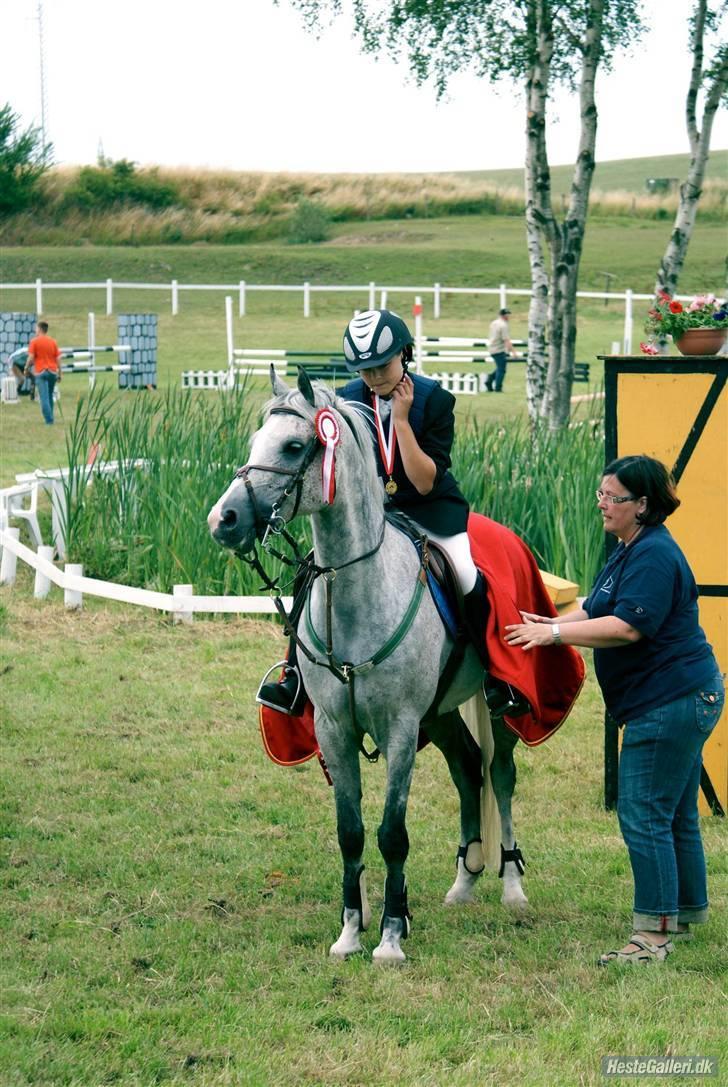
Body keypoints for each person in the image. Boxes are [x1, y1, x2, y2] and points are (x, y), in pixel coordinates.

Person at [504, 455, 724, 966]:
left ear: (642, 505)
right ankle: (685, 912)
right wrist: (551, 618)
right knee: (675, 814)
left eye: (613, 498)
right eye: (601, 494)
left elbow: (627, 627)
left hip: (671, 701)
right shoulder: (629, 548)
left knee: (643, 813)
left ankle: (653, 936)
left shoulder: (653, 557)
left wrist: (553, 634)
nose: (602, 504)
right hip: (682, 696)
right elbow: (599, 608)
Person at [257, 308, 529, 720]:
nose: (373, 377)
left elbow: (423, 482)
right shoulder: (348, 399)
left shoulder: (436, 399)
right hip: (373, 516)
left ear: (405, 353)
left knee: (467, 576)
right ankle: (294, 676)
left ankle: (496, 675)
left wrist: (401, 420)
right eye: (364, 370)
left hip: (429, 511)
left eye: (382, 366)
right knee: (308, 573)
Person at [26, 321, 62, 424]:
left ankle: (49, 420)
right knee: (50, 395)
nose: (35, 331)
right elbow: (58, 359)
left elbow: (31, 357)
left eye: (36, 329)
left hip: (41, 372)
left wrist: (26, 367)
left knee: (44, 397)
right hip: (52, 371)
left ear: (40, 329)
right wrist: (59, 374)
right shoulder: (53, 342)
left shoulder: (34, 342)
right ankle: (51, 417)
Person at [484, 307, 513, 393]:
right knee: (501, 369)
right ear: (504, 316)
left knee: (500, 367)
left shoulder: (494, 323)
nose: (509, 317)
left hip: (492, 347)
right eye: (508, 315)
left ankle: (489, 381)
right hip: (499, 349)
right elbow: (506, 339)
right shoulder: (503, 325)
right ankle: (498, 388)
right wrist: (512, 351)